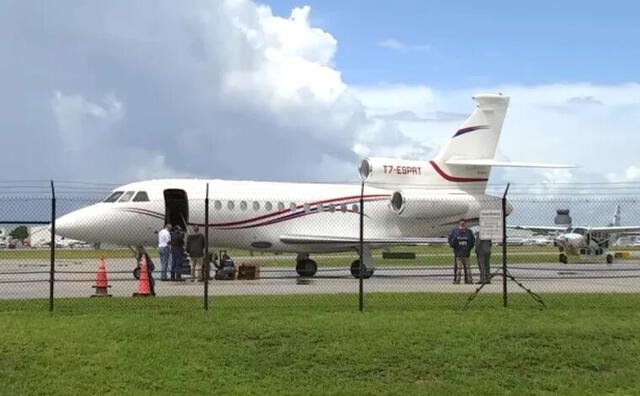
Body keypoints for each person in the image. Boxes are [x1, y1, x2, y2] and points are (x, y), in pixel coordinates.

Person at [448, 219, 475, 284]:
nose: (462, 225)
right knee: (461, 268)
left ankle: (464, 280)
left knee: (464, 268)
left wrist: (468, 248)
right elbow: (451, 241)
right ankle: (463, 280)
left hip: (463, 253)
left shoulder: (468, 232)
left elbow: (472, 242)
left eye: (463, 224)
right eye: (462, 224)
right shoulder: (456, 232)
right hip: (460, 253)